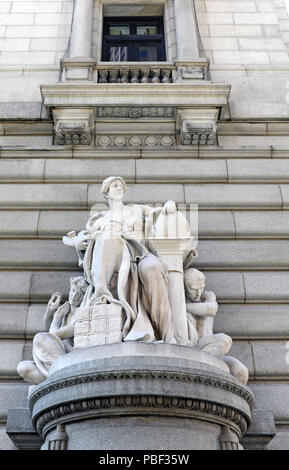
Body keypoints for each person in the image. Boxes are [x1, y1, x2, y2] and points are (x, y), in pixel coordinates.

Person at [63, 176, 176, 344]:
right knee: (109, 237)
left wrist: (169, 206)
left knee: (152, 267)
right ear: (106, 194)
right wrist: (78, 242)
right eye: (114, 186)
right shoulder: (99, 219)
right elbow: (86, 241)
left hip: (139, 254)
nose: (118, 188)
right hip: (112, 259)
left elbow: (159, 212)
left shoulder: (137, 210)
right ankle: (103, 296)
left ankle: (166, 335)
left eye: (120, 186)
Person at [17, 277, 87, 385]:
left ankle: (62, 375)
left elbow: (54, 335)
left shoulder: (82, 316)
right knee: (23, 368)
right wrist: (50, 310)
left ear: (84, 297)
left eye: (79, 294)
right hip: (54, 359)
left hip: (70, 357)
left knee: (39, 338)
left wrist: (57, 318)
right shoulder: (66, 311)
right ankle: (56, 379)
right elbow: (47, 326)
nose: (74, 296)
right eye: (73, 291)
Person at [184, 268, 249, 384]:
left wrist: (183, 307)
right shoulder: (180, 300)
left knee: (241, 372)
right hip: (195, 348)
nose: (198, 293)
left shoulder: (207, 297)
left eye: (201, 288)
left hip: (212, 350)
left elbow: (212, 309)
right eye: (193, 289)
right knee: (224, 341)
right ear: (184, 287)